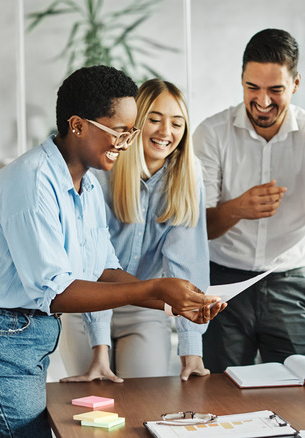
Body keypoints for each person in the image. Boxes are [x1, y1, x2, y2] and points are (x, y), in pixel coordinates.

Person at [0, 66, 222, 438]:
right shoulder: (32, 183)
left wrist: (173, 303)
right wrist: (155, 288)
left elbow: (102, 270)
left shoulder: (87, 187)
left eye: (131, 132)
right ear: (78, 126)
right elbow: (56, 292)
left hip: (16, 335)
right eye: (119, 131)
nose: (126, 143)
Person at [193, 28, 305, 373]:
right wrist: (238, 208)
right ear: (241, 80)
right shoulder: (211, 134)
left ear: (295, 84)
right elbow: (198, 227)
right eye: (252, 87)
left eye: (275, 90)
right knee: (220, 390)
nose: (263, 100)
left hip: (289, 283)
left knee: (300, 386)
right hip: (223, 283)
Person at [59, 78, 222, 382]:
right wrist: (99, 346)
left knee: (145, 399)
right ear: (134, 124)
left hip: (145, 309)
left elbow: (187, 262)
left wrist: (192, 349)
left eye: (177, 123)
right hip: (88, 306)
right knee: (92, 401)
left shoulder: (188, 174)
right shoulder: (102, 169)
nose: (166, 132)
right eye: (155, 119)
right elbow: (92, 265)